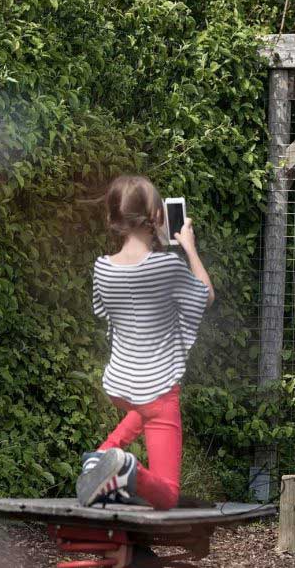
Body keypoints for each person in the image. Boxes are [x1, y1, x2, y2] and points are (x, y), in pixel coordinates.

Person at [75, 175, 214, 509]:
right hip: (158, 391)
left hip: (120, 386)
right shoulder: (167, 265)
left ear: (113, 218)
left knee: (143, 405)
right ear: (156, 216)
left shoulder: (102, 269)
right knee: (167, 494)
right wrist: (189, 248)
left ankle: (101, 457)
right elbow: (206, 296)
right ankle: (125, 468)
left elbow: (105, 311)